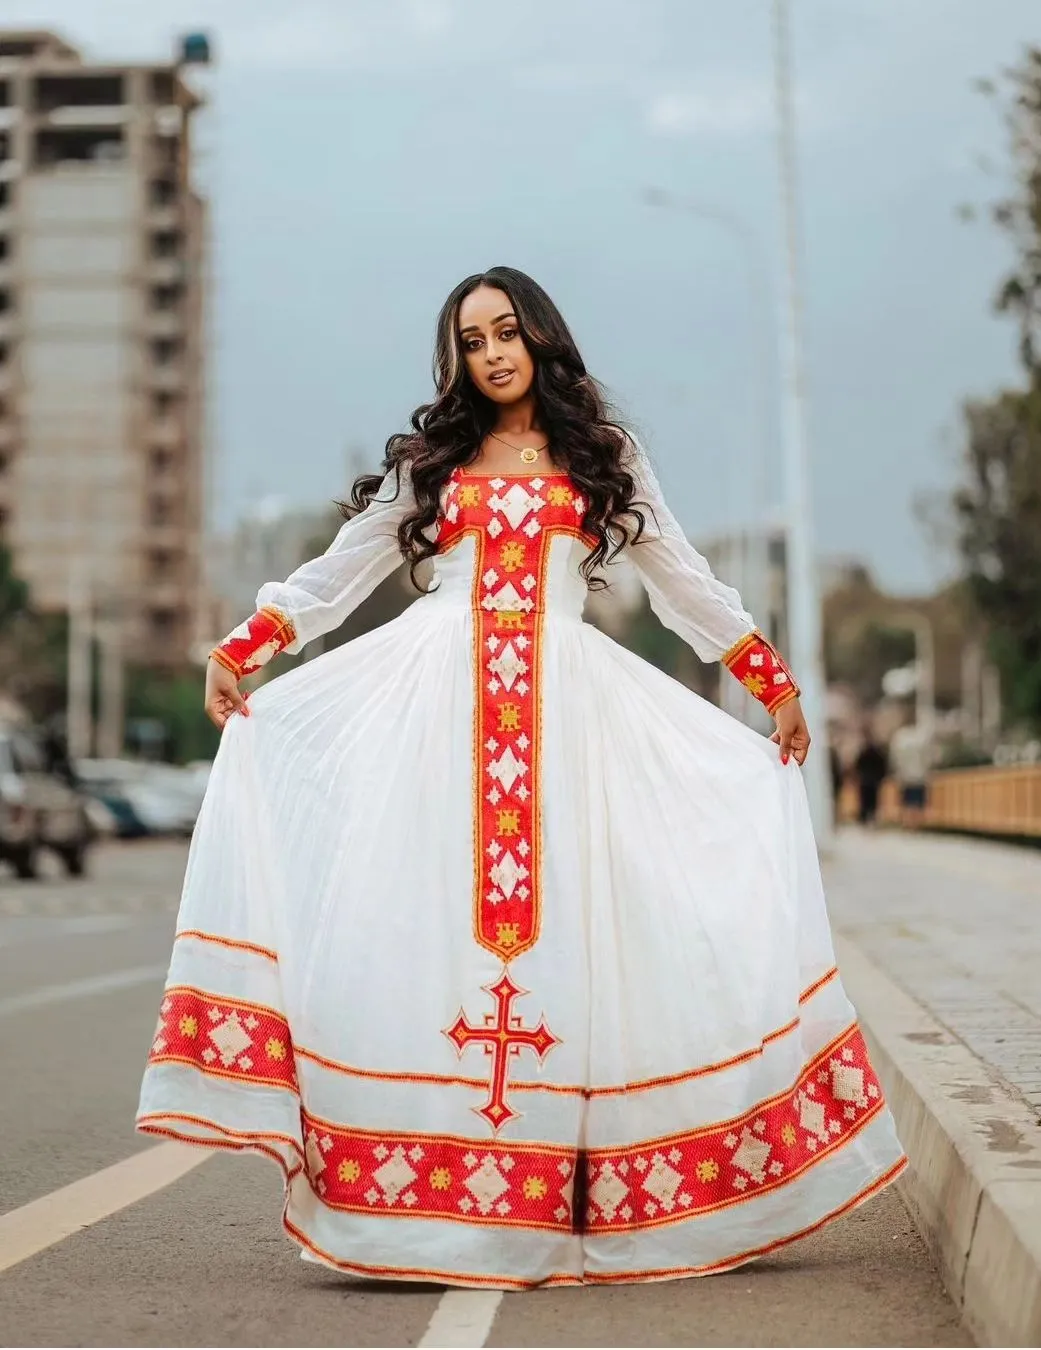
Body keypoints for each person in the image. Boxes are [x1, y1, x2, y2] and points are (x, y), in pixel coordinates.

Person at [137, 267, 906, 1289]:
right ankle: (424, 1206)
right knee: (424, 936)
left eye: (507, 332)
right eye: (471, 339)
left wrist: (770, 679)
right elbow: (345, 567)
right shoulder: (434, 461)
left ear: (542, 338)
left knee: (591, 935)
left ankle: (575, 1190)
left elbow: (679, 577)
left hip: (573, 721)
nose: (492, 352)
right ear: (454, 359)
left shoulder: (606, 458)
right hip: (431, 714)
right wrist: (247, 645)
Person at [853, 733, 890, 826]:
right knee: (873, 800)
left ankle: (864, 818)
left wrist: (860, 775)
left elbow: (858, 765)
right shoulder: (878, 752)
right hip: (874, 780)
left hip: (865, 780)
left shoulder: (863, 752)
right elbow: (883, 765)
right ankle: (871, 817)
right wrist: (881, 776)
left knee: (865, 800)